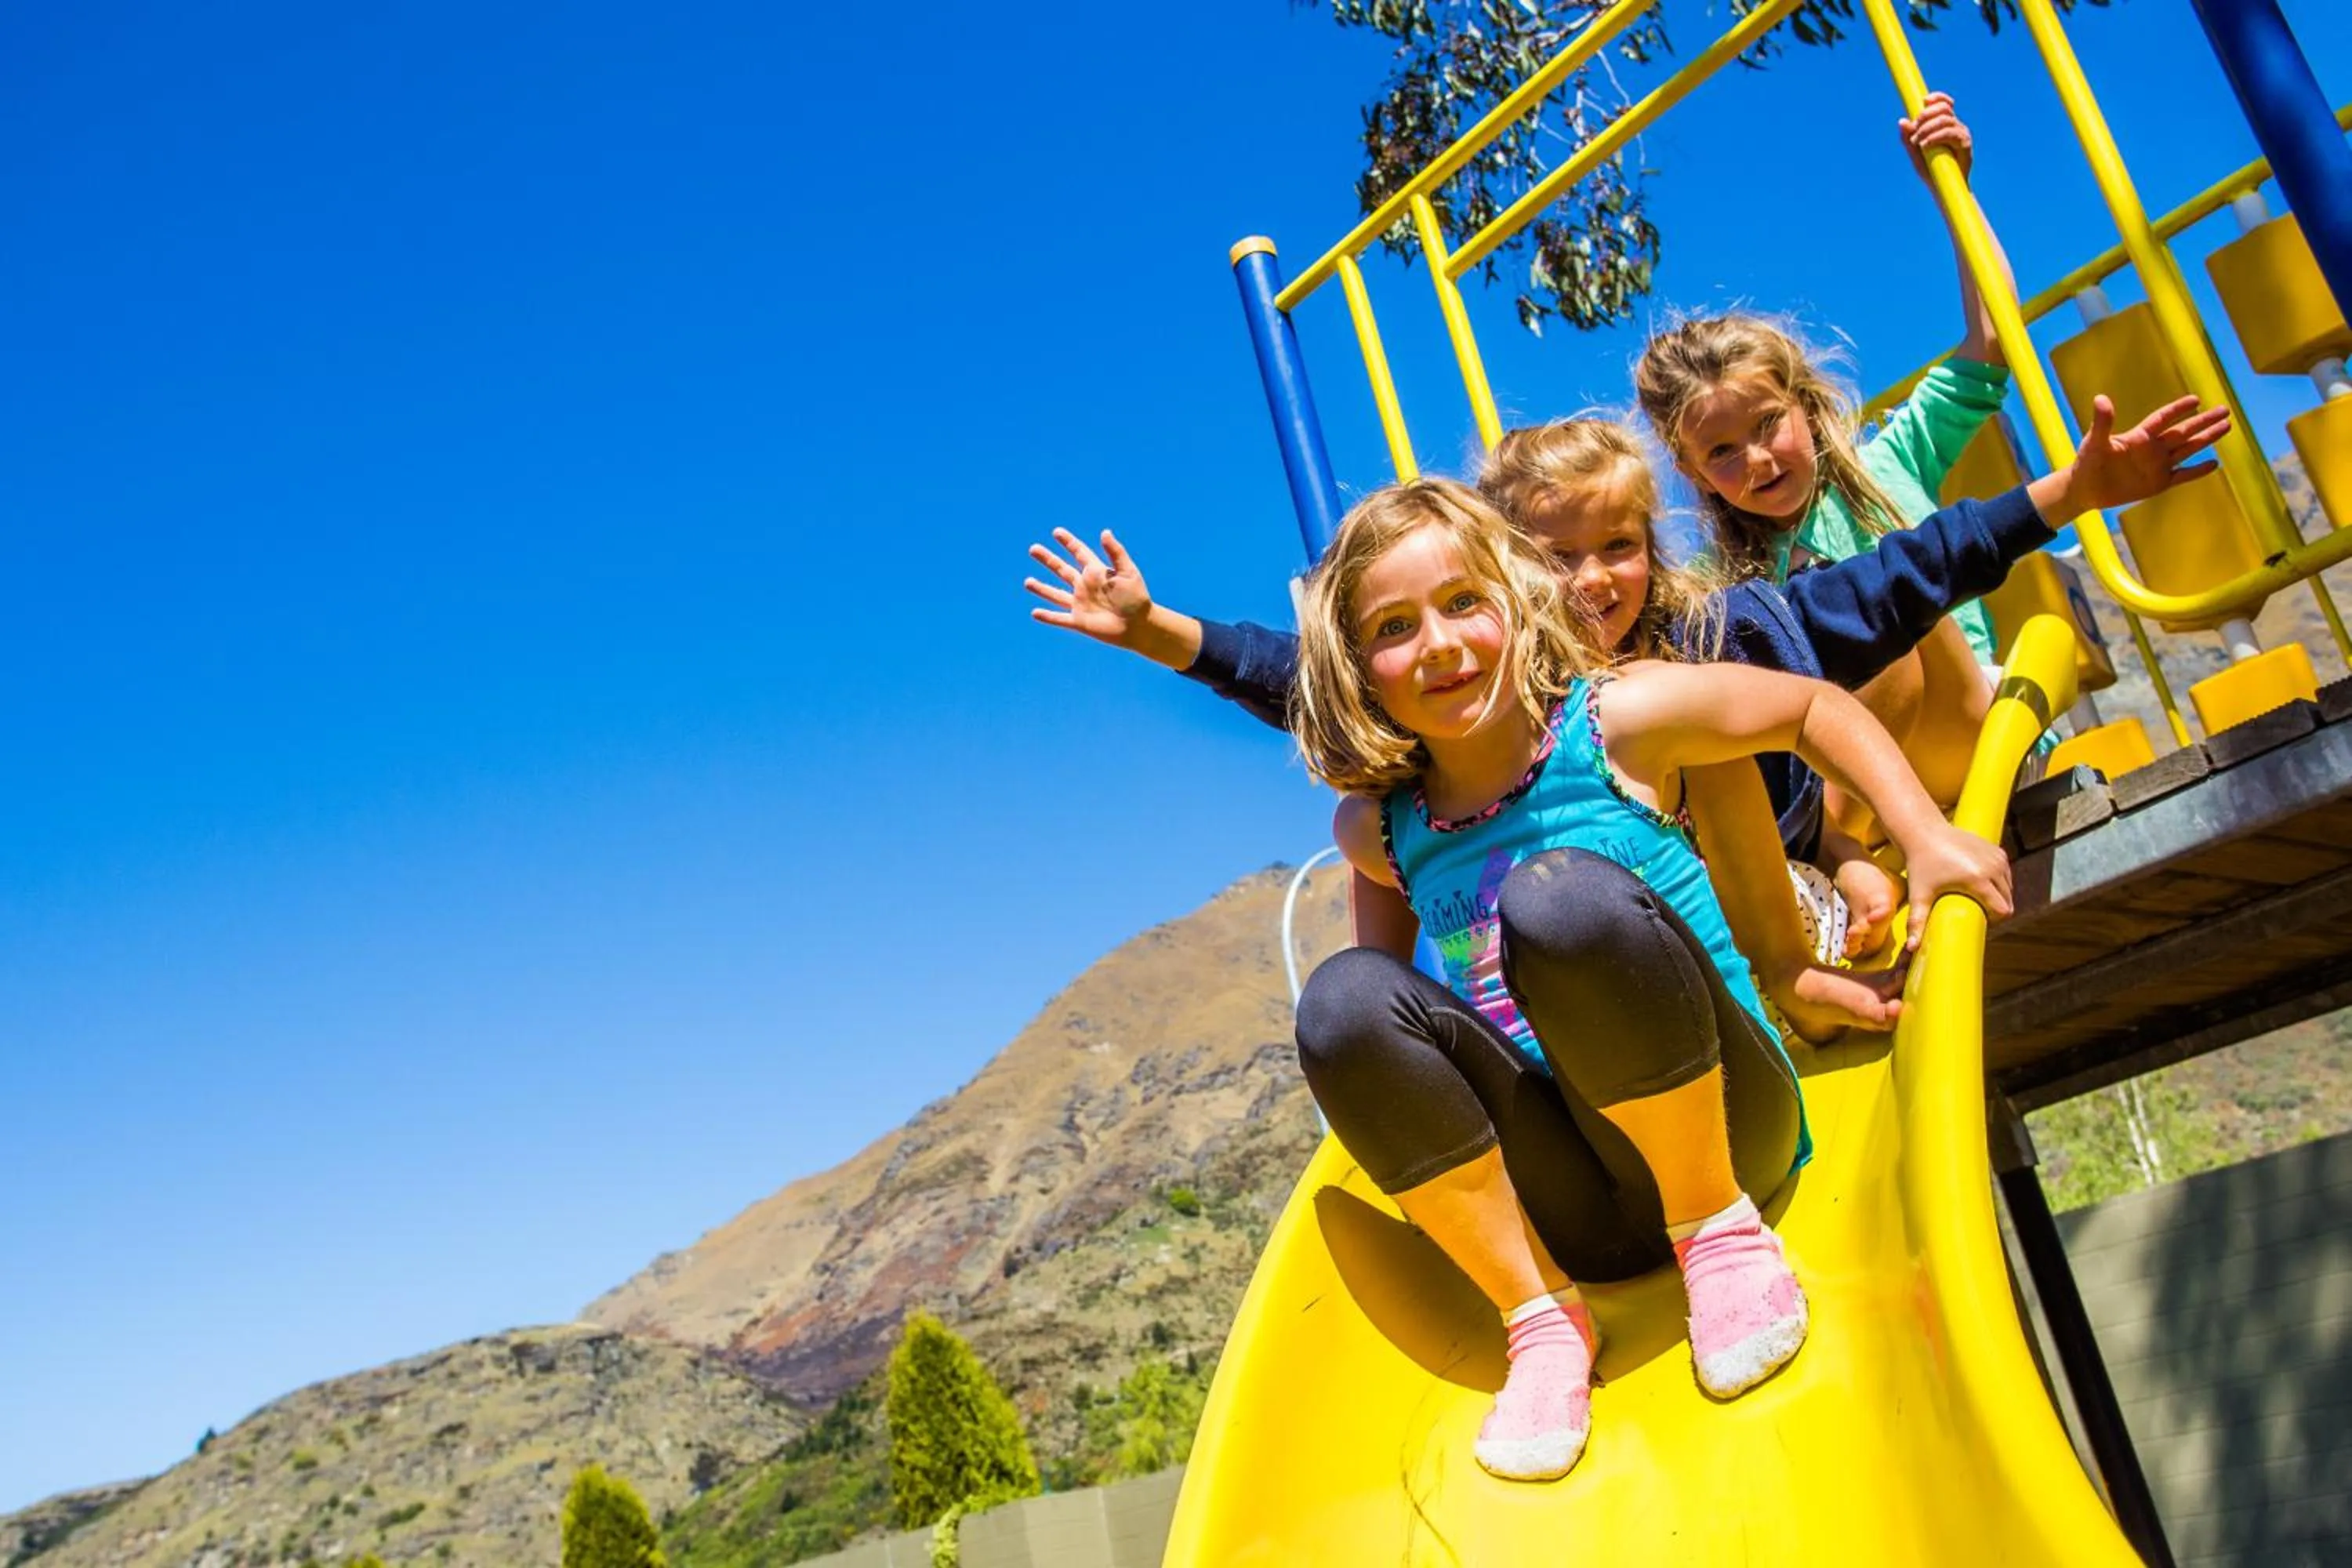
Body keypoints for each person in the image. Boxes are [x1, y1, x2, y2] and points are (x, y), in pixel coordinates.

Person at [1279, 477, 2008, 1479]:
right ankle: (1539, 1319)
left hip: (1724, 1131)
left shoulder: (1618, 722)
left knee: (1559, 899)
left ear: (1516, 602)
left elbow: (1811, 707)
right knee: (1341, 997)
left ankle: (1718, 1234)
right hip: (1580, 1212)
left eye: (1462, 603)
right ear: (1355, 669)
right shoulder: (1381, 829)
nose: (1441, 644)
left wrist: (1923, 835)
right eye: (1396, 627)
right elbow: (1391, 1007)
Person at [1025, 396, 2228, 961]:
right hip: (1638, 916)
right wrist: (1157, 630)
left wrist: (2069, 495)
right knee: (1386, 799)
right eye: (1557, 560)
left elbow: (1910, 569)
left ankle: (1843, 854)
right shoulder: (1503, 694)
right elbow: (1316, 674)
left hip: (1770, 868)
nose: (1596, 580)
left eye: (1620, 548)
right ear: (1509, 576)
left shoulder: (1722, 632)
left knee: (1881, 643)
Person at [1633, 92, 2018, 822]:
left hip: (1964, 726)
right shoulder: (1723, 587)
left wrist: (1953, 190)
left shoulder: (1887, 465)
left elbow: (1992, 340)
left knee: (1873, 600)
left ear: (1806, 408)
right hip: (1848, 790)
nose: (1756, 459)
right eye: (1720, 450)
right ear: (1689, 471)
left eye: (1769, 423)